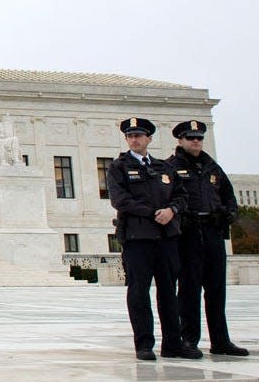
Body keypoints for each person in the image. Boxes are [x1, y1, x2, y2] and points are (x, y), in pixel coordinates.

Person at [107, 117, 198, 361]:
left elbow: (181, 195)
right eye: (130, 136)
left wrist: (172, 211)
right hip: (138, 238)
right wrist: (153, 213)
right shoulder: (119, 167)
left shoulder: (162, 167)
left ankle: (173, 343)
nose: (135, 139)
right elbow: (120, 200)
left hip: (166, 237)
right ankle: (144, 344)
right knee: (139, 292)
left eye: (139, 135)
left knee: (169, 291)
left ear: (149, 138)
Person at [167, 120, 249, 357]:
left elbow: (229, 196)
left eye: (199, 138)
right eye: (190, 138)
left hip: (212, 231)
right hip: (188, 234)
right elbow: (168, 197)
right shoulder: (171, 167)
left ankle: (221, 340)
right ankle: (189, 339)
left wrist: (228, 214)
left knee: (216, 289)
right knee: (189, 289)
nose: (196, 141)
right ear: (180, 140)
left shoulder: (212, 167)